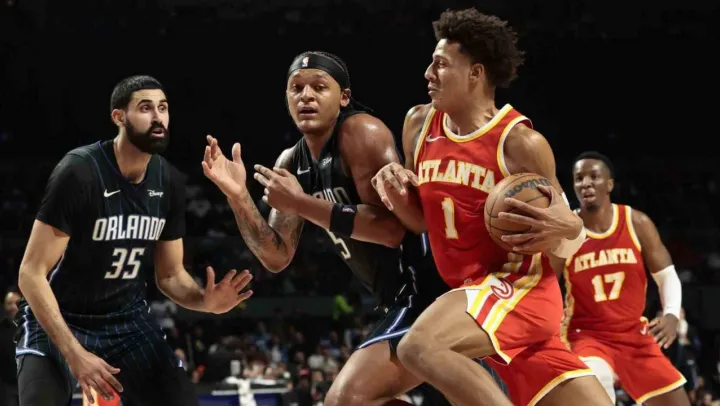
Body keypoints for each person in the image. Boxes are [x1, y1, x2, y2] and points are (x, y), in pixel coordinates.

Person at [202, 51, 506, 406]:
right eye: (296, 88)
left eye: (319, 87)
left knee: (346, 400)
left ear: (344, 97)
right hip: (395, 298)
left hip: (429, 288)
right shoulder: (292, 161)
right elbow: (276, 256)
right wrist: (238, 197)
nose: (306, 96)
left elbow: (392, 229)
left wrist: (301, 203)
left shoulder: (361, 132)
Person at [372, 8, 613, 406]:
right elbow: (423, 223)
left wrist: (569, 228)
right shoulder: (419, 124)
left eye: (440, 64)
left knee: (419, 347)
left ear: (476, 73)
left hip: (520, 289)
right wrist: (394, 190)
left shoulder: (520, 143)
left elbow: (568, 234)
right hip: (476, 301)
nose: (428, 74)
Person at [14, 75, 253, 406]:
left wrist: (204, 301)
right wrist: (75, 353)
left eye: (163, 108)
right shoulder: (79, 171)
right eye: (145, 108)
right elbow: (30, 273)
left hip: (126, 323)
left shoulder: (169, 181)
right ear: (119, 117)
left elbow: (170, 275)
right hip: (59, 316)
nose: (158, 117)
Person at [559, 151, 690, 406]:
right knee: (598, 384)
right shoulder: (568, 232)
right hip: (585, 336)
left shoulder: (636, 223)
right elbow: (546, 280)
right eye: (579, 178)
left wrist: (672, 314)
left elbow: (666, 275)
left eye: (594, 176)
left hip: (633, 334)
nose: (585, 183)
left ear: (609, 184)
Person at [1, 287, 21, 406]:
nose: (13, 307)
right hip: (7, 387)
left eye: (16, 303)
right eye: (9, 303)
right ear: (4, 306)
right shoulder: (1, 330)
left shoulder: (31, 327)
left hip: (29, 381)